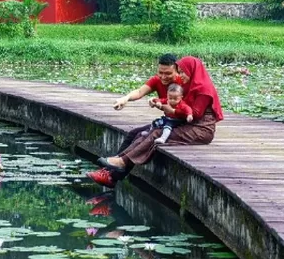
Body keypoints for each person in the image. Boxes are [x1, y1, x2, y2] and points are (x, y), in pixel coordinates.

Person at [88, 56, 223, 188]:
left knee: (156, 133)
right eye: (161, 73)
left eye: (181, 72)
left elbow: (194, 113)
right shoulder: (189, 83)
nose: (164, 77)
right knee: (138, 133)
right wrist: (127, 98)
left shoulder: (196, 87)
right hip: (181, 122)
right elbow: (141, 91)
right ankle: (114, 169)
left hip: (198, 127)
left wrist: (167, 108)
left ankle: (120, 165)